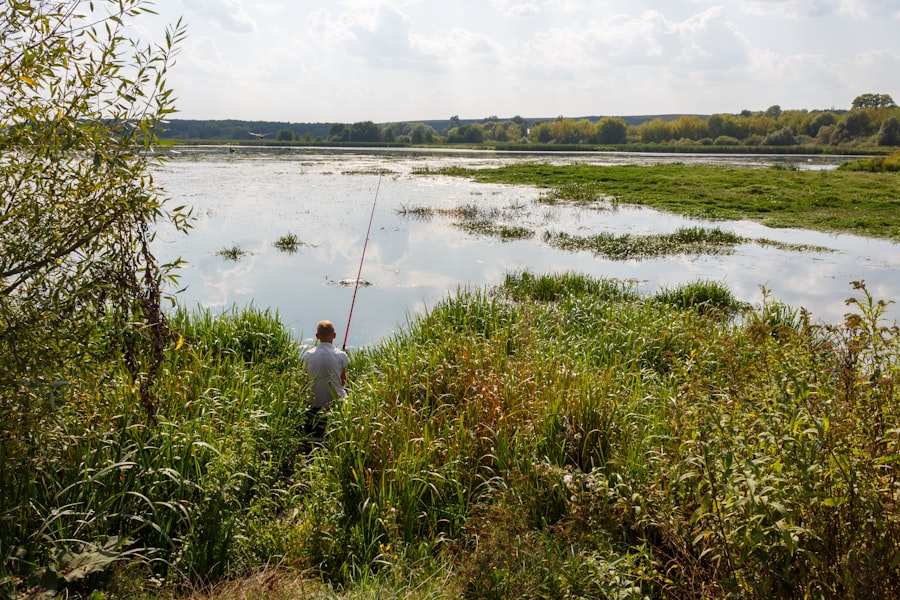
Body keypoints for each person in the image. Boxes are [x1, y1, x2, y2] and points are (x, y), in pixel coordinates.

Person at [302, 320, 350, 440]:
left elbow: (306, 376)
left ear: (317, 336)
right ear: (334, 336)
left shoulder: (308, 354)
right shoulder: (341, 355)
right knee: (347, 388)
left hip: (314, 402)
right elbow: (343, 381)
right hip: (335, 403)